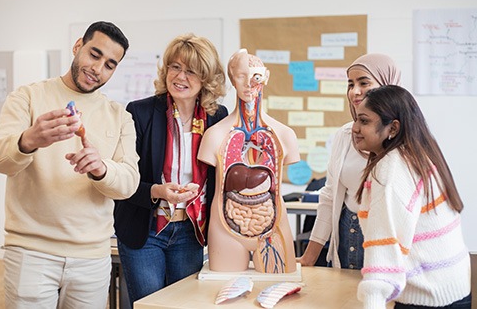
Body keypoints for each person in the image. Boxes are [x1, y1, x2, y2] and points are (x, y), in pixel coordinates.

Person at [0, 21, 140, 309]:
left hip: (92, 257)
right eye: (94, 55)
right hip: (31, 253)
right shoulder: (28, 97)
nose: (98, 68)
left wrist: (101, 169)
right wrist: (28, 139)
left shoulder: (119, 116)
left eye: (109, 64)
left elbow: (128, 184)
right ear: (78, 46)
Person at [113, 33, 228, 307]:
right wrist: (157, 191)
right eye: (175, 67)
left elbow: (222, 178)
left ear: (206, 79)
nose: (180, 77)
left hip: (191, 230)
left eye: (191, 71)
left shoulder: (217, 117)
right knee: (150, 303)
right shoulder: (139, 112)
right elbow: (123, 179)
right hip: (146, 227)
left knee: (185, 304)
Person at [353, 85, 472, 309]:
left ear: (393, 128)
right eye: (357, 120)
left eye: (364, 121)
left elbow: (384, 247)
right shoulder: (417, 153)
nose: (355, 128)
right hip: (454, 291)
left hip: (428, 298)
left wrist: (373, 301)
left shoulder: (392, 168)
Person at [198, 49, 299, 273]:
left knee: (278, 294)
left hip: (274, 227)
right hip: (225, 229)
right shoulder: (214, 135)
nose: (249, 83)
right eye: (241, 76)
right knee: (225, 293)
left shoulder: (284, 135)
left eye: (255, 75)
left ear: (266, 76)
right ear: (232, 79)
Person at [300, 53, 402, 269]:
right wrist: (309, 257)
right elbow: (329, 197)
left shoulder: (404, 139)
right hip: (348, 236)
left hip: (389, 246)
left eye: (364, 83)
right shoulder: (345, 135)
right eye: (350, 84)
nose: (355, 91)